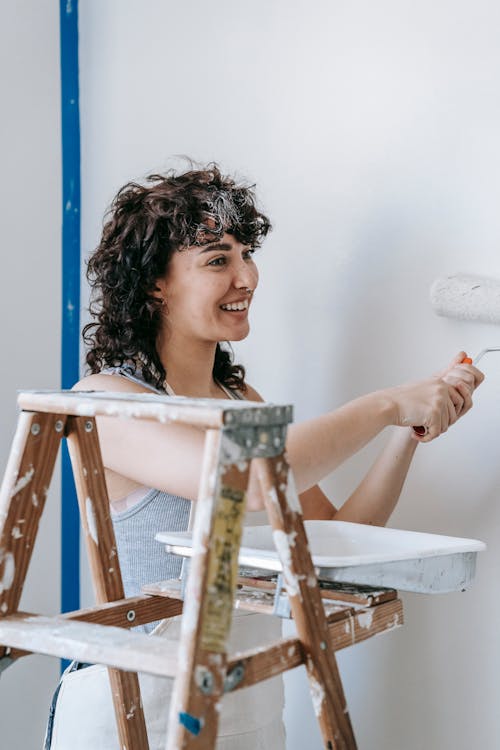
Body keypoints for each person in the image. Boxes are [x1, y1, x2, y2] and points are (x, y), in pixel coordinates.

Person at [44, 164, 483, 749]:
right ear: (155, 283)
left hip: (243, 701)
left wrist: (407, 429)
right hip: (136, 708)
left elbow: (330, 537)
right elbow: (246, 482)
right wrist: (383, 404)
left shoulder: (240, 402)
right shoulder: (105, 400)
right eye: (217, 260)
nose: (246, 275)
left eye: (245, 253)